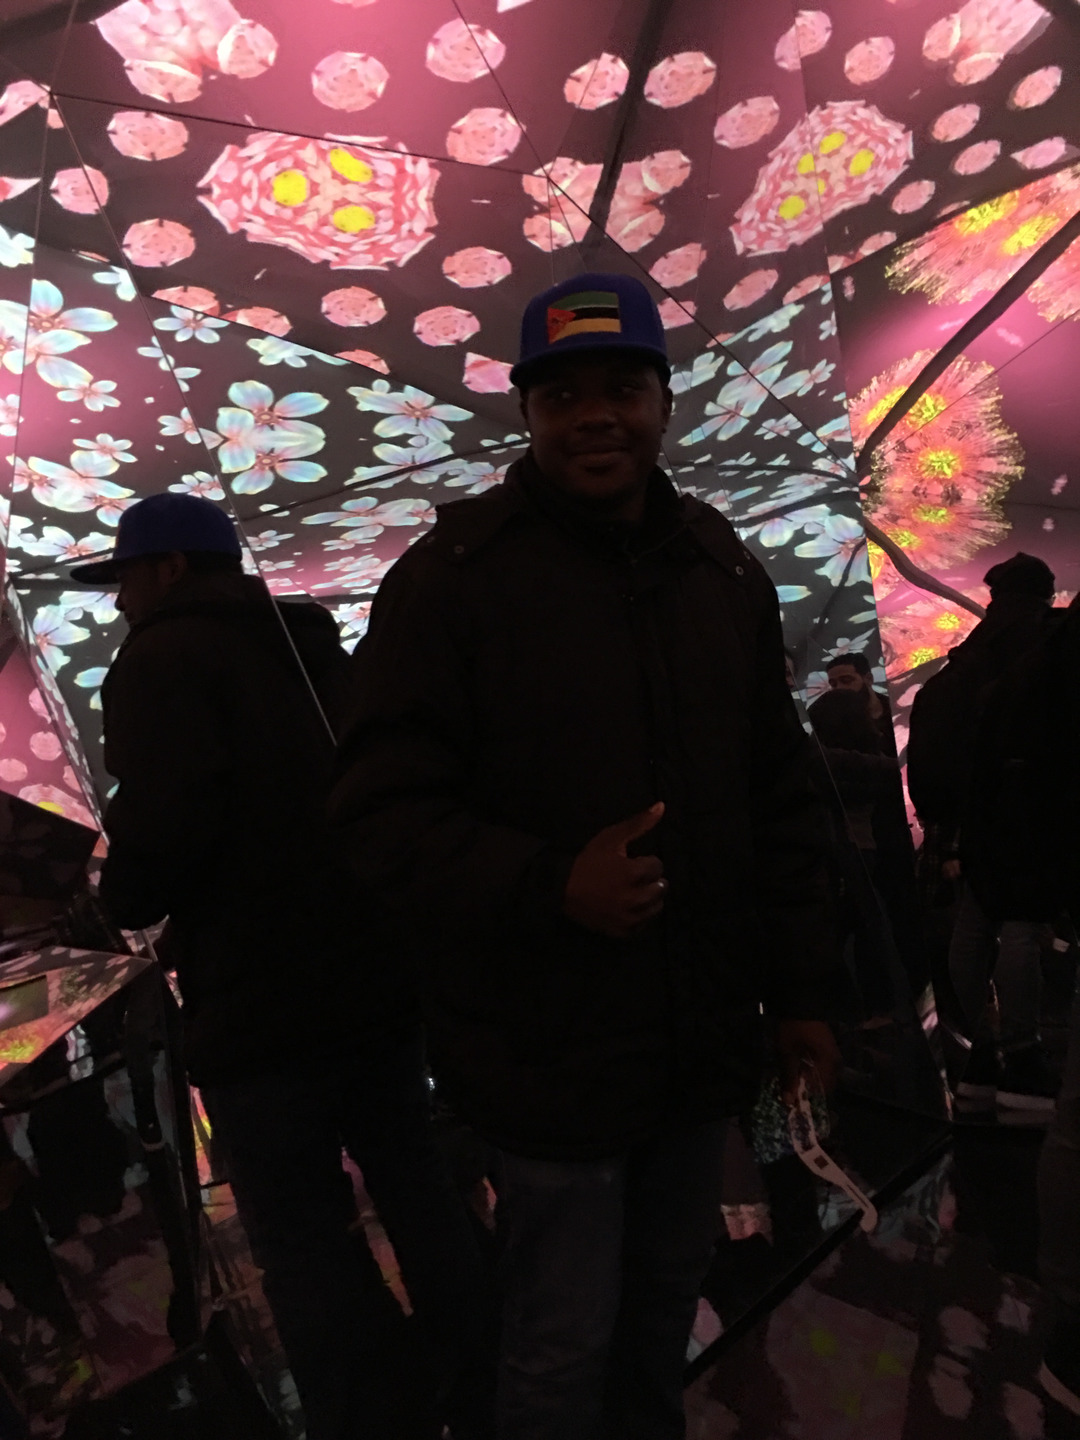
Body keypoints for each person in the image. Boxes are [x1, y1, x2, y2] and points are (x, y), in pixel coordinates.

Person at [330, 272, 840, 1440]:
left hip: (698, 1050)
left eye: (622, 387)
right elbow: (375, 816)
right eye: (563, 395)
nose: (595, 415)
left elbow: (780, 799)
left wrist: (806, 991)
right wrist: (550, 880)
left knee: (661, 1317)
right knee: (558, 1346)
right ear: (527, 412)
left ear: (664, 399)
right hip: (544, 1058)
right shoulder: (451, 583)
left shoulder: (720, 569)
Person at [71, 494, 492, 1440]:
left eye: (126, 578)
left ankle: (370, 1414)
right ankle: (485, 1378)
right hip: (376, 977)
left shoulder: (161, 659)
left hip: (259, 1000)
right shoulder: (312, 647)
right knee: (418, 1184)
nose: (121, 601)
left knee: (300, 1234)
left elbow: (165, 823)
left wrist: (119, 898)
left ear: (171, 568)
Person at [908, 552, 1060, 1112]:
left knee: (974, 926)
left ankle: (980, 1051)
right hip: (1028, 810)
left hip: (967, 817)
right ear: (1046, 593)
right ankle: (1022, 1057)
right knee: (1021, 926)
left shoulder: (966, 659)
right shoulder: (1043, 647)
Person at [824, 652, 894, 754]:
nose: (839, 688)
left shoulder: (897, 709)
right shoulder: (833, 726)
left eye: (846, 680)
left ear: (868, 679)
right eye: (833, 684)